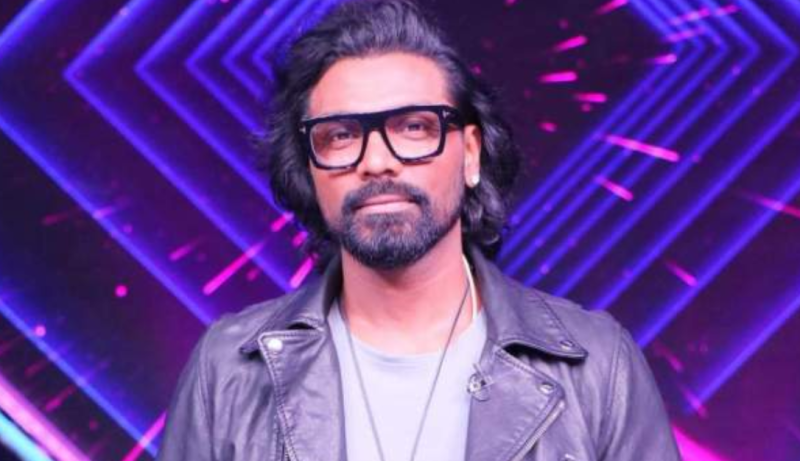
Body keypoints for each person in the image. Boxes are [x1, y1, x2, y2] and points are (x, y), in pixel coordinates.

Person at [156, 1, 681, 460]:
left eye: (413, 127)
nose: (377, 162)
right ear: (309, 169)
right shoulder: (229, 370)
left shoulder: (597, 367)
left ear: (470, 153)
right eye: (341, 136)